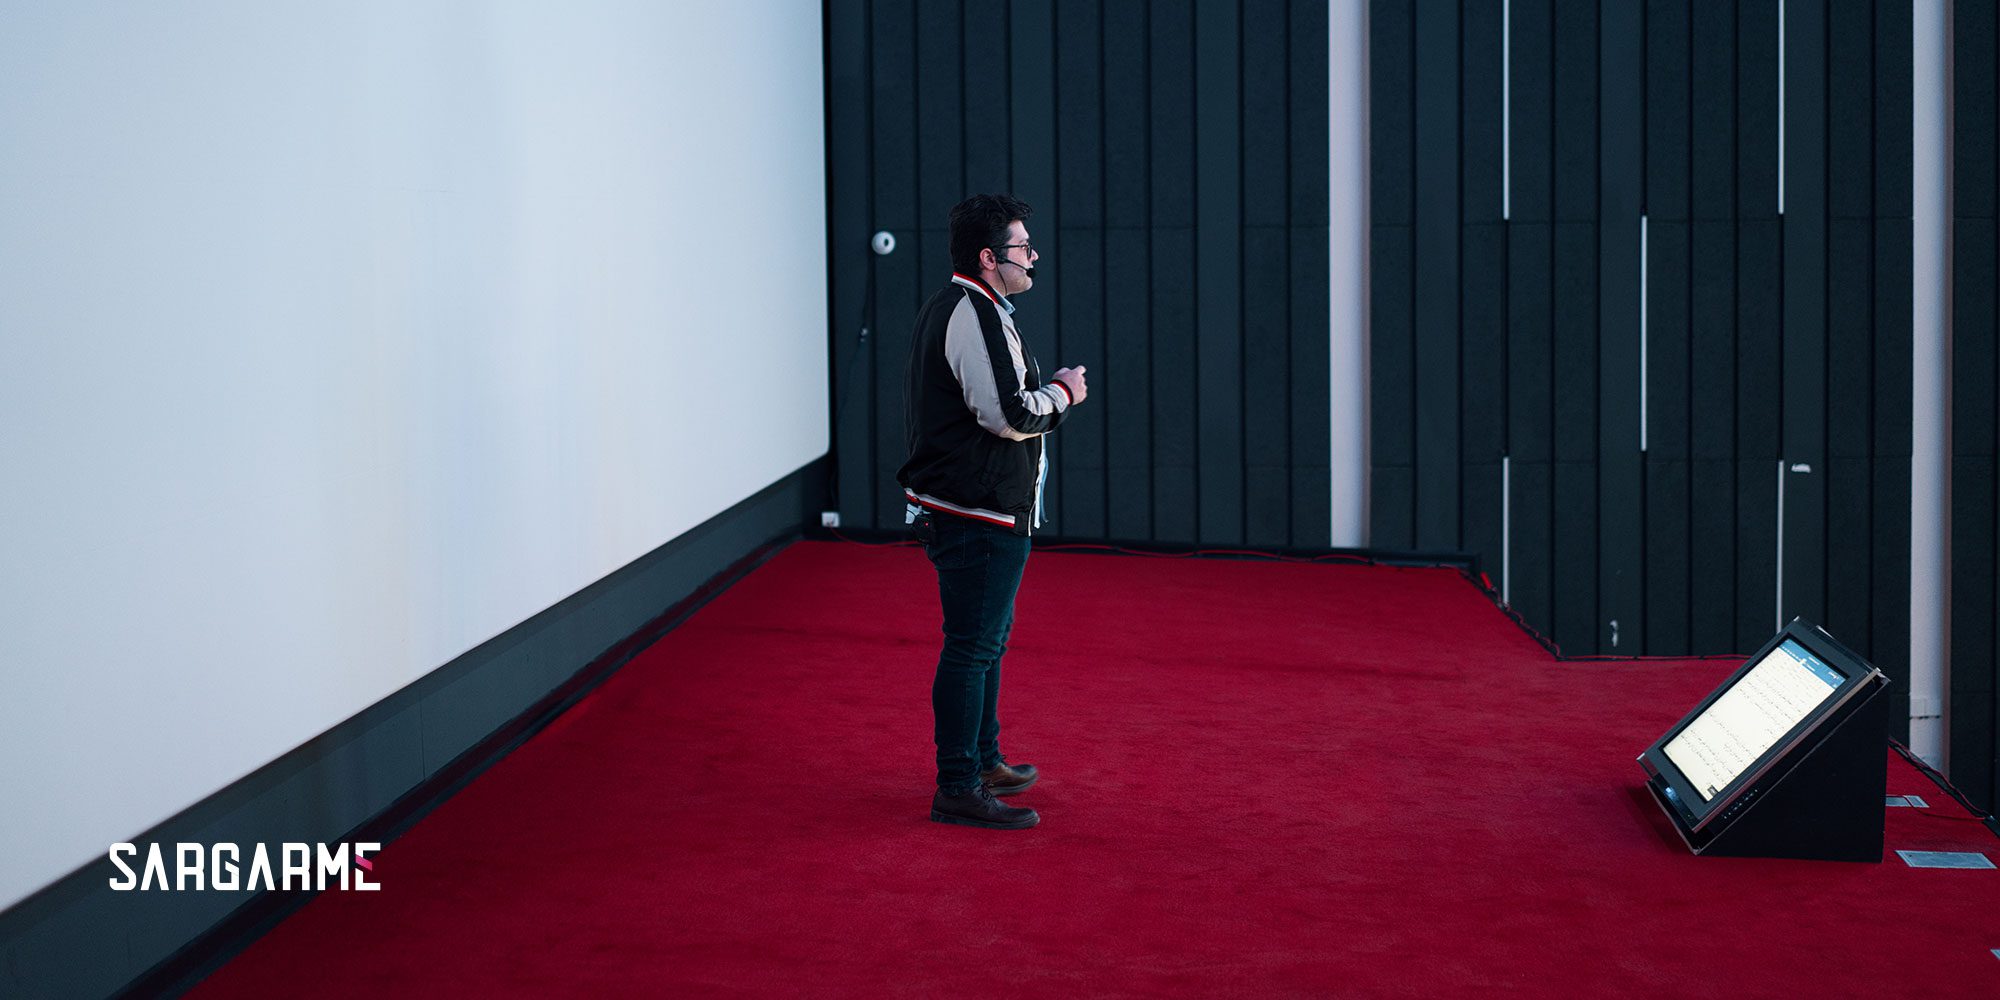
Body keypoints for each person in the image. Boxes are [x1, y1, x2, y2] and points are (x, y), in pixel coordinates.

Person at [897, 194, 1089, 830]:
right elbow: (1009, 415)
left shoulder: (970, 307)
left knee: (985, 644)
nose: (1033, 257)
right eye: (1022, 247)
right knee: (972, 648)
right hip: (975, 514)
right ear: (988, 257)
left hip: (982, 510)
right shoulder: (972, 311)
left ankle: (982, 762)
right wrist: (1063, 393)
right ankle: (957, 785)